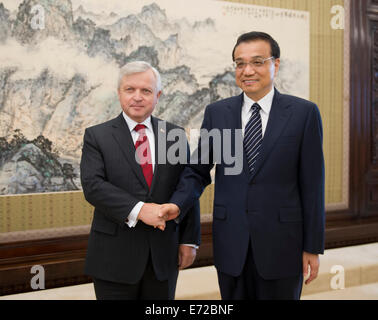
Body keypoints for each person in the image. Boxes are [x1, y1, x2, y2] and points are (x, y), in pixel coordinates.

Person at [163, 31, 325, 300]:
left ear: (276, 64)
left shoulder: (303, 113)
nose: (247, 70)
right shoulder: (218, 113)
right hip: (231, 242)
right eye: (240, 63)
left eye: (258, 61)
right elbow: (197, 170)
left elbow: (313, 186)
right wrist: (177, 204)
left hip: (283, 244)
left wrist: (313, 246)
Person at [80, 61, 200, 300]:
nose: (137, 97)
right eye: (130, 89)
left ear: (158, 96)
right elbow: (93, 186)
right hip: (113, 259)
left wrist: (189, 240)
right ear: (119, 93)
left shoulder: (174, 135)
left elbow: (187, 188)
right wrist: (140, 210)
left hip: (163, 256)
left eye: (146, 91)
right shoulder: (97, 136)